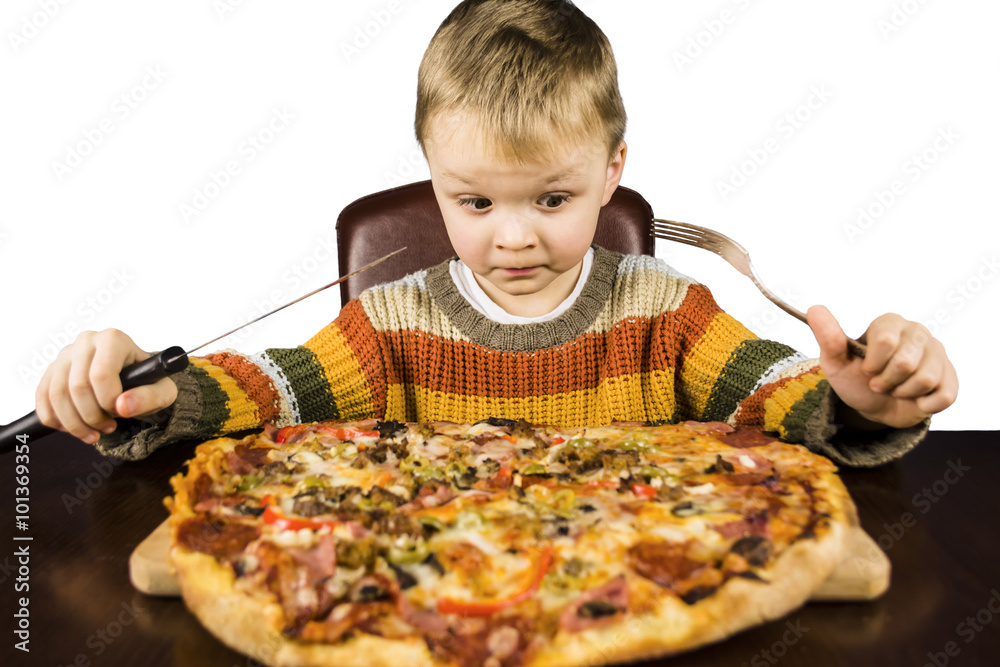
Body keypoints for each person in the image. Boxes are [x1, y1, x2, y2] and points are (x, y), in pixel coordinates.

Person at [34, 0, 956, 466]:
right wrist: (159, 392)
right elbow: (267, 389)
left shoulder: (668, 309)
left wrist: (861, 401)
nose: (513, 238)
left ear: (612, 173)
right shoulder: (393, 322)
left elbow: (781, 392)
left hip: (655, 579)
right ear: (433, 181)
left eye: (551, 200)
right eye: (474, 203)